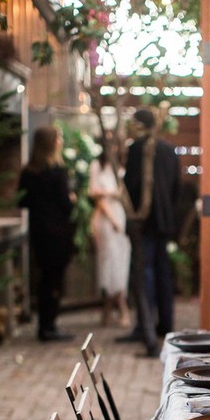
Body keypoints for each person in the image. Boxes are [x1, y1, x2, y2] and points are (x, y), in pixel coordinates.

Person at [117, 107, 181, 357]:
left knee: (145, 273)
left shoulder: (137, 150)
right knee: (161, 270)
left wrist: (134, 215)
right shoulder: (168, 150)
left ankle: (147, 330)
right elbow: (177, 187)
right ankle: (164, 324)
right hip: (163, 220)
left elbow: (131, 185)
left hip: (143, 221)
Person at [18, 126, 76, 342]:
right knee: (54, 280)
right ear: (52, 143)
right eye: (58, 138)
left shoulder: (28, 172)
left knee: (44, 279)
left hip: (39, 232)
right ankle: (49, 326)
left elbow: (22, 200)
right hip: (58, 234)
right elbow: (65, 205)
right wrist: (71, 199)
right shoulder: (57, 172)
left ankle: (45, 325)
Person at [88, 139, 131, 328]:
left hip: (121, 216)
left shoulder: (122, 166)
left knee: (121, 262)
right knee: (108, 262)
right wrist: (112, 217)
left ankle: (111, 309)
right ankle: (119, 308)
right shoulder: (97, 166)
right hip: (106, 218)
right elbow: (95, 194)